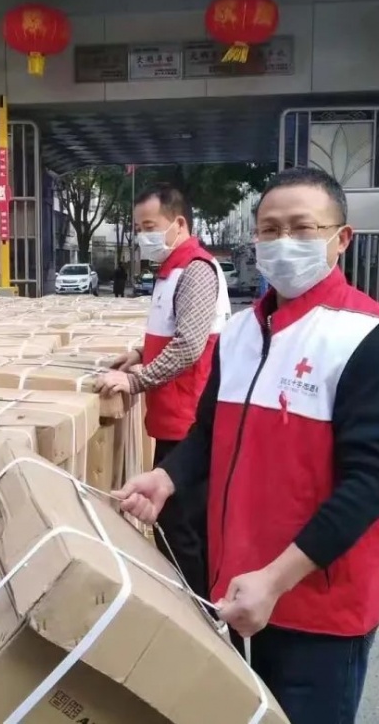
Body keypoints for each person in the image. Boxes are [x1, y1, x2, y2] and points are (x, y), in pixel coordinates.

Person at [113, 167, 379, 724]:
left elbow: (373, 482)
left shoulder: (371, 339)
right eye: (270, 229)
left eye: (302, 228)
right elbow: (209, 432)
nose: (283, 242)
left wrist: (276, 579)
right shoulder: (240, 334)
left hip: (315, 609)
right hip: (234, 590)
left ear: (341, 239)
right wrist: (166, 477)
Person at [96, 183, 231, 600]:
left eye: (150, 226)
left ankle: (197, 612)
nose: (143, 236)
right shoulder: (171, 270)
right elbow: (174, 331)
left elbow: (189, 345)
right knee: (174, 524)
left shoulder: (195, 270)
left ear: (179, 224)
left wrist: (135, 380)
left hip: (189, 419)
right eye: (138, 228)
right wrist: (139, 354)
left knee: (180, 526)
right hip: (171, 415)